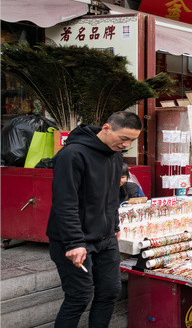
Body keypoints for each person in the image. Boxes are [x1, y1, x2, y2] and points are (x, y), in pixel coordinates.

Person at [46, 111, 142, 327]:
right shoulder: (72, 155)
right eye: (123, 138)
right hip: (73, 241)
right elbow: (65, 202)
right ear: (107, 128)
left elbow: (111, 196)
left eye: (132, 140)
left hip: (106, 238)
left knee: (110, 291)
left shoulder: (115, 154)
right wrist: (74, 242)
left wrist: (115, 226)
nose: (126, 144)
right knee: (78, 297)